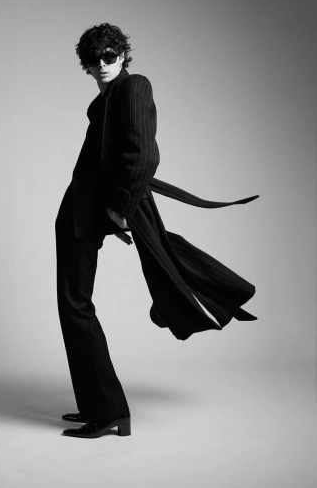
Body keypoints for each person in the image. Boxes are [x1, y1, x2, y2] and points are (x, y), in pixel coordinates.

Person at [55, 23, 258, 439]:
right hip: (83, 212)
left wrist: (120, 209)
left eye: (110, 56)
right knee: (75, 305)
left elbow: (143, 154)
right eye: (93, 60)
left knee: (76, 305)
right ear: (85, 66)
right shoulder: (103, 101)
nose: (102, 65)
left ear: (123, 56)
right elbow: (108, 160)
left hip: (95, 211)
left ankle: (109, 411)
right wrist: (108, 211)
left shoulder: (134, 87)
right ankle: (95, 405)